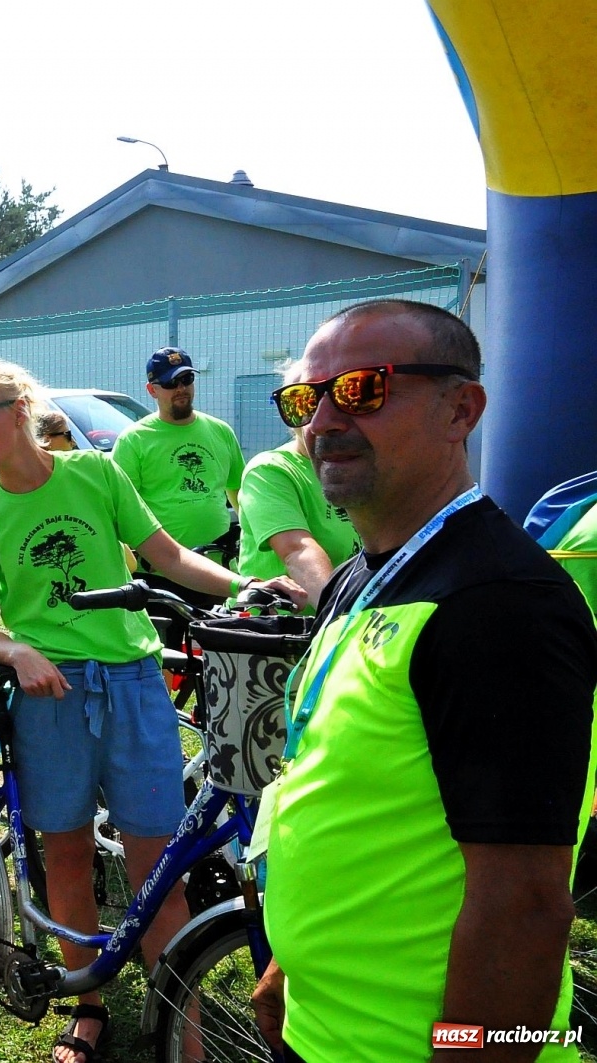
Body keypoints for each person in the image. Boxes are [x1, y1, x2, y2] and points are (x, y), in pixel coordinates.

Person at [249, 301, 597, 1063]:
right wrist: (288, 963)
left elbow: (526, 909)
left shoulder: (501, 603)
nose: (325, 420)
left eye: (365, 389)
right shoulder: (361, 578)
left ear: (460, 408)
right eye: (308, 399)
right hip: (324, 1027)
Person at [0, 360, 303, 1063]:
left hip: (135, 681)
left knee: (156, 864)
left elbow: (165, 554)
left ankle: (184, 1028)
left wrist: (248, 583)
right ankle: (88, 1004)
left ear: (19, 408)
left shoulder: (97, 474)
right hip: (51, 698)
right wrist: (17, 653)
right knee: (68, 854)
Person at [234, 362, 359, 608]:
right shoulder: (270, 470)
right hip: (281, 627)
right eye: (301, 403)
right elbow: (297, 550)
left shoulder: (349, 465)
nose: (318, 418)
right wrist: (340, 616)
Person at [112, 347, 245, 558]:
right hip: (161, 569)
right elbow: (122, 508)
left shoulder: (220, 431)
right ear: (152, 390)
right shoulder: (134, 440)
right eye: (170, 383)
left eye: (187, 379)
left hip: (221, 561)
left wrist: (250, 535)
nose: (181, 388)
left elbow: (237, 490)